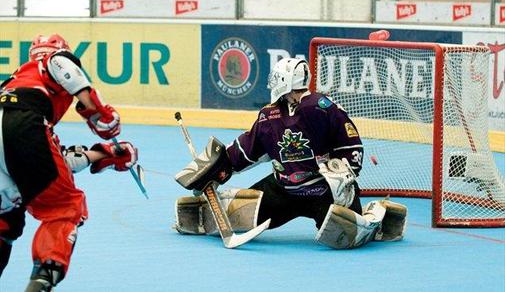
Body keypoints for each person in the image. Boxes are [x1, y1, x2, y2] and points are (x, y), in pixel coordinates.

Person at [174, 57, 407, 249]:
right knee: (237, 212)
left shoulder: (322, 107)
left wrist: (342, 175)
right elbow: (245, 152)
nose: (272, 82)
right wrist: (215, 171)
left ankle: (379, 216)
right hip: (283, 190)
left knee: (346, 237)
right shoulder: (269, 115)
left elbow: (352, 147)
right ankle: (202, 215)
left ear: (284, 80)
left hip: (324, 192)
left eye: (275, 78)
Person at [0, 34, 138, 292]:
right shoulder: (51, 62)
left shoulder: (16, 82)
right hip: (26, 126)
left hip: (14, 138)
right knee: (64, 207)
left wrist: (104, 154)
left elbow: (48, 165)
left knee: (5, 218)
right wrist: (98, 112)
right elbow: (61, 64)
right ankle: (40, 283)